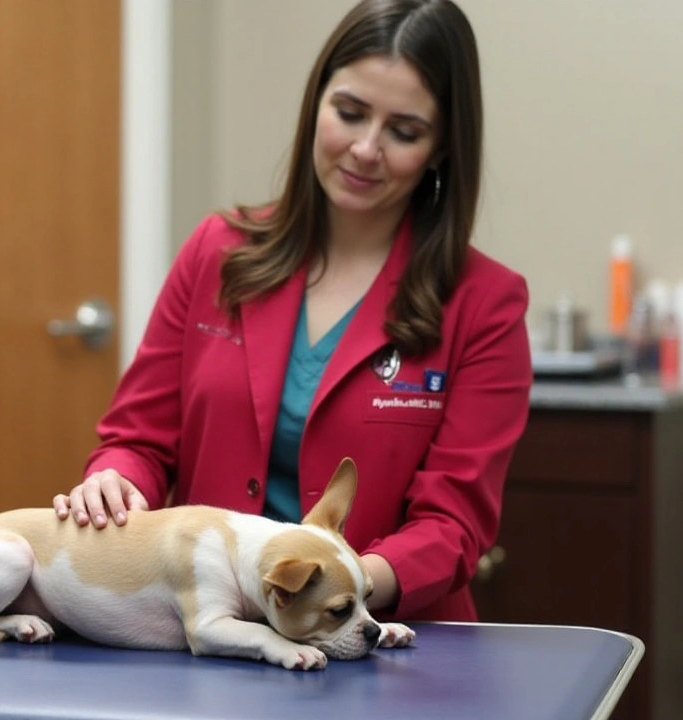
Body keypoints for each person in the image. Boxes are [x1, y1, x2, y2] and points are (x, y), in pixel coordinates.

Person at [53, 0, 531, 623]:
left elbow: (452, 526)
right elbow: (139, 439)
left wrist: (336, 589)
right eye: (350, 113)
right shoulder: (217, 252)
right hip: (208, 633)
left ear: (441, 148)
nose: (365, 148)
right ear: (316, 104)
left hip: (382, 642)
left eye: (404, 132)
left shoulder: (485, 303)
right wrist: (115, 482)